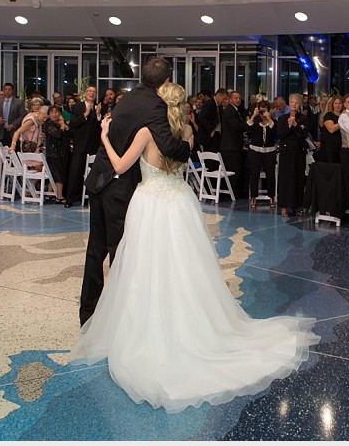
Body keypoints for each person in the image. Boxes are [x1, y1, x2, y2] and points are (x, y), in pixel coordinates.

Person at [70, 80, 317, 412]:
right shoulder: (185, 131)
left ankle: (146, 323)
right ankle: (187, 321)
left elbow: (119, 167)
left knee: (144, 266)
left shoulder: (146, 132)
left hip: (149, 204)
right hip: (180, 203)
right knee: (185, 268)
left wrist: (103, 138)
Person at [78, 57, 191, 326]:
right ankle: (119, 319)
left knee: (96, 251)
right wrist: (187, 145)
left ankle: (88, 315)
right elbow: (168, 146)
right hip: (118, 187)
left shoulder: (126, 99)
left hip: (100, 180)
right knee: (121, 253)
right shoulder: (154, 105)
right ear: (165, 81)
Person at [64, 86, 101, 207]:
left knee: (94, 173)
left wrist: (98, 115)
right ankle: (70, 198)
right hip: (80, 145)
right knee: (75, 172)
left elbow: (99, 127)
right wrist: (85, 114)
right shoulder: (77, 107)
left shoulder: (99, 107)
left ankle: (92, 198)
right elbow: (74, 123)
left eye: (94, 92)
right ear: (85, 94)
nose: (92, 93)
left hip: (93, 146)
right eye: (90, 91)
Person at [276, 93, 309, 217]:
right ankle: (284, 206)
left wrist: (295, 125)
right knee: (285, 179)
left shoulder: (304, 118)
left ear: (299, 104)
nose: (294, 104)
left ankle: (297, 206)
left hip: (299, 152)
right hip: (286, 152)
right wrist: (289, 126)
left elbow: (303, 134)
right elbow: (281, 135)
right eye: (292, 102)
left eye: (296, 102)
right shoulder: (282, 118)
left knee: (298, 179)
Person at [246, 99, 276, 210]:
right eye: (260, 110)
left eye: (265, 110)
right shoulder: (255, 121)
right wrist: (253, 116)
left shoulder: (273, 122)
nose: (262, 113)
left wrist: (268, 118)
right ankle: (253, 197)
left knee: (270, 175)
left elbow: (275, 132)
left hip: (269, 151)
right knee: (254, 175)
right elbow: (247, 129)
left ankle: (272, 197)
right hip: (255, 150)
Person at [219, 90, 247, 199]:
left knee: (235, 170)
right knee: (234, 171)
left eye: (239, 98)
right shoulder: (230, 111)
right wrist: (248, 123)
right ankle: (232, 194)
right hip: (230, 147)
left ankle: (232, 193)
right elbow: (237, 126)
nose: (238, 100)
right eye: (236, 98)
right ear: (230, 99)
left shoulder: (235, 110)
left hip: (232, 146)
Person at [42, 107, 70, 202]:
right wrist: (62, 126)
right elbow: (57, 135)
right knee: (58, 174)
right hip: (54, 153)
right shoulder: (48, 124)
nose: (54, 114)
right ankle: (59, 196)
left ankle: (50, 194)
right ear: (49, 114)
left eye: (56, 112)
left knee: (55, 173)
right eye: (52, 112)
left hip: (62, 152)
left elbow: (68, 133)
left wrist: (64, 125)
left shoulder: (59, 123)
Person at [0, 83, 27, 148]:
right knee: (1, 153)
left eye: (9, 90)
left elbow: (22, 116)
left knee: (13, 152)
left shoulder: (19, 102)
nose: (7, 91)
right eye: (5, 89)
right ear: (3, 90)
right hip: (0, 131)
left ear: (12, 91)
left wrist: (13, 125)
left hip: (13, 132)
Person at [316, 96, 342, 163]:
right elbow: (331, 129)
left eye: (340, 103)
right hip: (330, 147)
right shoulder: (329, 115)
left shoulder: (344, 115)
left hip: (341, 146)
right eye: (336, 103)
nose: (338, 105)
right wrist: (343, 122)